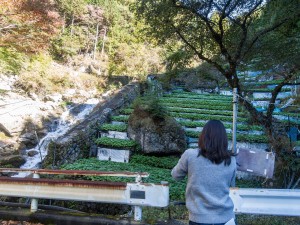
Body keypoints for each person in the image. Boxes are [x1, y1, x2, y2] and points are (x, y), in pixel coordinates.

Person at [171, 120, 236, 225]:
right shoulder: (231, 160)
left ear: (203, 136)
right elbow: (231, 184)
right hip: (226, 219)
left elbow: (175, 175)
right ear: (223, 139)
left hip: (199, 219)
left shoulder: (190, 155)